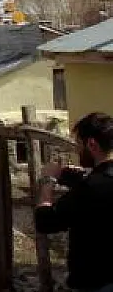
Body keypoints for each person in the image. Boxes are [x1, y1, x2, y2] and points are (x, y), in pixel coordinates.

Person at [35, 112, 113, 292]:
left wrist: (47, 181)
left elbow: (45, 221)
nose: (78, 151)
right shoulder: (91, 182)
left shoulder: (90, 188)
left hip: (97, 282)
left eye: (79, 145)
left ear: (91, 144)